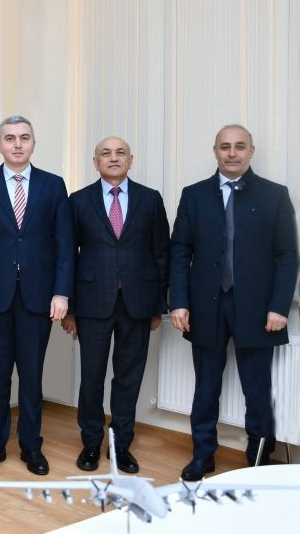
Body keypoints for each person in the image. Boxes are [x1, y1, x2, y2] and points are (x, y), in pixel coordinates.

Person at [169, 124, 298, 480]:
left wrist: (279, 306)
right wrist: (178, 301)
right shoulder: (194, 195)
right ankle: (202, 456)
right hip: (205, 307)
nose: (232, 153)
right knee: (205, 387)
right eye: (225, 146)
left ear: (251, 151)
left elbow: (287, 256)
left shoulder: (275, 195)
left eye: (240, 146)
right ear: (215, 151)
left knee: (257, 390)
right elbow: (179, 251)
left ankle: (258, 460)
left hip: (257, 310)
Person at [0, 115, 74, 475]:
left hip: (38, 297)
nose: (17, 144)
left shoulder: (53, 185)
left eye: (24, 137)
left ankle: (31, 447)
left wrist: (61, 292)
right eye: (10, 138)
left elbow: (64, 244)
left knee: (31, 377)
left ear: (33, 143)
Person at [62, 136, 169, 474]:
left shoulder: (151, 200)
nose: (113, 158)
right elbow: (67, 256)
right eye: (105, 154)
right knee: (91, 377)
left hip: (138, 304)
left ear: (130, 160)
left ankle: (120, 445)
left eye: (120, 153)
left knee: (128, 378)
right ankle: (91, 444)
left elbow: (161, 254)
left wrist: (158, 306)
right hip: (91, 303)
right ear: (95, 162)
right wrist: (70, 309)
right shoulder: (78, 201)